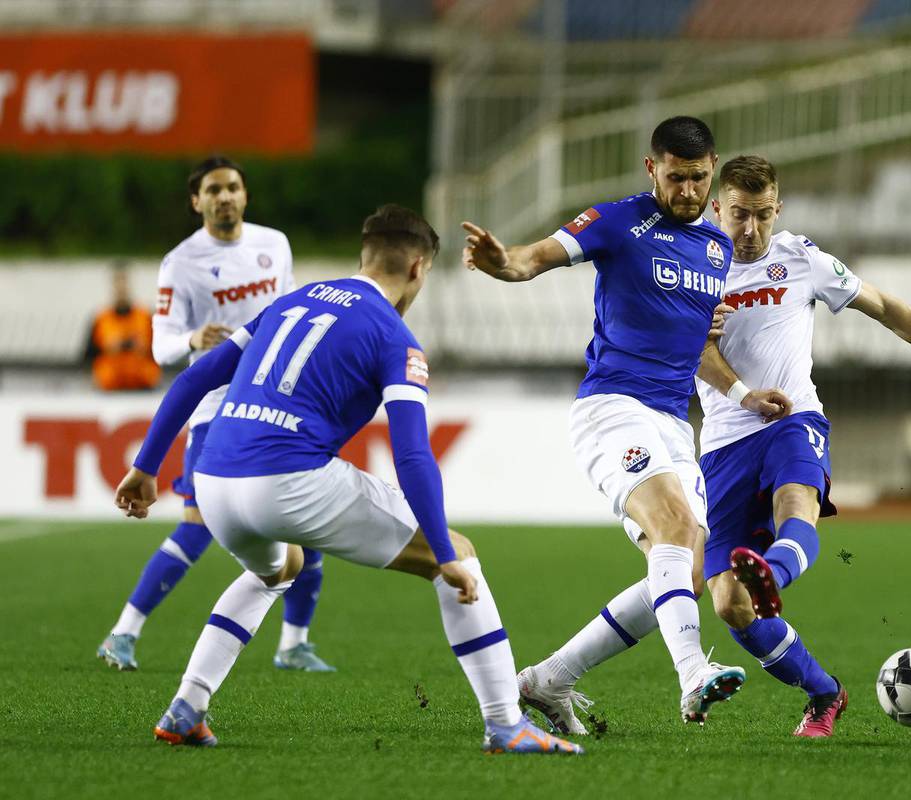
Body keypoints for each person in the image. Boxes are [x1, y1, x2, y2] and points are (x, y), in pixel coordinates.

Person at [515, 154, 911, 738]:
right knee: (722, 602)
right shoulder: (691, 261)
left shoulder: (803, 259)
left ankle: (772, 572)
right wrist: (734, 381)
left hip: (792, 421)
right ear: (718, 208)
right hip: (721, 446)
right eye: (738, 216)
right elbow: (690, 354)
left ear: (777, 210)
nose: (749, 231)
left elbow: (886, 307)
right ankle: (823, 693)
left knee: (795, 507)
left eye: (761, 216)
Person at [113, 205, 580, 755]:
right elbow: (411, 454)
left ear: (364, 256)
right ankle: (505, 724)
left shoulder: (288, 302)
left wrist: (146, 468)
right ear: (418, 269)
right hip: (286, 478)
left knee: (279, 567)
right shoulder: (394, 337)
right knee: (455, 550)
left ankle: (187, 707)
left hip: (213, 477)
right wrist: (440, 548)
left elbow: (195, 378)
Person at [462, 117, 790, 729]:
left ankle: (548, 679)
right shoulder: (619, 221)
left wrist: (742, 393)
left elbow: (697, 346)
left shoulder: (718, 248)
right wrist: (502, 261)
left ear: (711, 171)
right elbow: (535, 258)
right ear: (651, 169)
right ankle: (693, 673)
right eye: (675, 178)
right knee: (672, 525)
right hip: (613, 407)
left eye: (698, 179)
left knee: (689, 566)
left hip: (671, 421)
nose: (687, 191)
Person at [97, 156, 335, 673]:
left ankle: (294, 644)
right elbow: (160, 348)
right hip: (216, 407)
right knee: (197, 525)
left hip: (277, 403)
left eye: (232, 187)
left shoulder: (274, 245)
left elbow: (288, 314)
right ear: (196, 201)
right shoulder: (180, 263)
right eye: (213, 189)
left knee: (310, 520)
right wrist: (191, 339)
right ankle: (123, 633)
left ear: (245, 196)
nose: (224, 196)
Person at [84, 262, 161, 391]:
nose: (121, 288)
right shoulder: (101, 319)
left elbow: (162, 351)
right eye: (117, 283)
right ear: (112, 286)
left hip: (143, 383)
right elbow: (86, 357)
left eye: (124, 282)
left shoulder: (145, 317)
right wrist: (109, 348)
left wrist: (142, 347)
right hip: (109, 385)